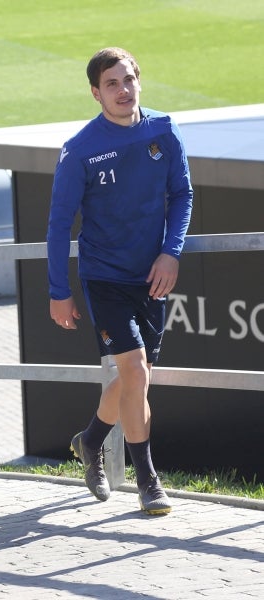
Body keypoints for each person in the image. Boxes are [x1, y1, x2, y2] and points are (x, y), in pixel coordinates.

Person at [46, 47, 193, 515]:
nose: (123, 90)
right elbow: (57, 225)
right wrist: (58, 291)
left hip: (152, 278)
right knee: (133, 372)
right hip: (104, 276)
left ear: (139, 81)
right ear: (96, 93)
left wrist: (171, 253)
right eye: (112, 83)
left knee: (137, 376)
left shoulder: (163, 130)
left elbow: (182, 194)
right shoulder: (80, 149)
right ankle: (147, 480)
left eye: (128, 79)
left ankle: (90, 441)